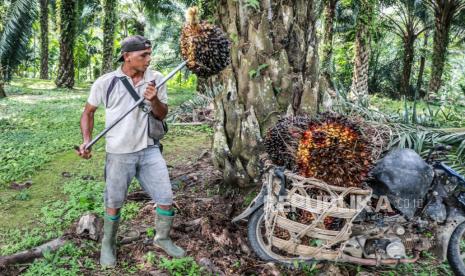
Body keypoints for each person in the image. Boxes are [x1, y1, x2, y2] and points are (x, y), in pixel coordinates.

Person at [76, 35, 185, 267]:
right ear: (127, 56)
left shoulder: (155, 79)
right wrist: (87, 140)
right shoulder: (106, 82)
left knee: (165, 197)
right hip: (119, 152)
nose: (148, 59)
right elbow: (88, 113)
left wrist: (154, 100)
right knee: (114, 202)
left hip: (149, 149)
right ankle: (108, 244)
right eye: (143, 55)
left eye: (149, 54)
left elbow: (162, 114)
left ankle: (162, 238)